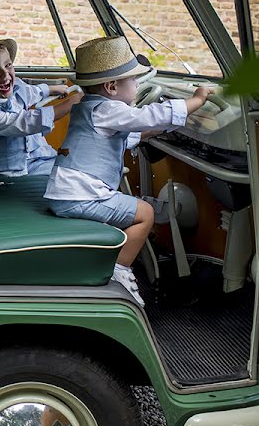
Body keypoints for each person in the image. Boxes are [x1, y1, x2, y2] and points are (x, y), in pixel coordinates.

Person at [44, 36, 211, 306]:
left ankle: (151, 214)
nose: (136, 86)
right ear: (111, 86)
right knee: (143, 214)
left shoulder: (89, 107)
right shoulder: (108, 108)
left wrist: (156, 131)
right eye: (133, 81)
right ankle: (119, 272)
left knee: (138, 205)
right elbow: (148, 116)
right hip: (79, 195)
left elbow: (128, 135)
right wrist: (195, 102)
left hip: (66, 192)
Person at [0, 35, 81, 182]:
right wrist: (72, 102)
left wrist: (51, 89)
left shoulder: (14, 88)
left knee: (76, 164)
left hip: (37, 159)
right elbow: (27, 122)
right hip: (14, 174)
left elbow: (31, 92)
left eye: (8, 65)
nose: (5, 74)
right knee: (73, 175)